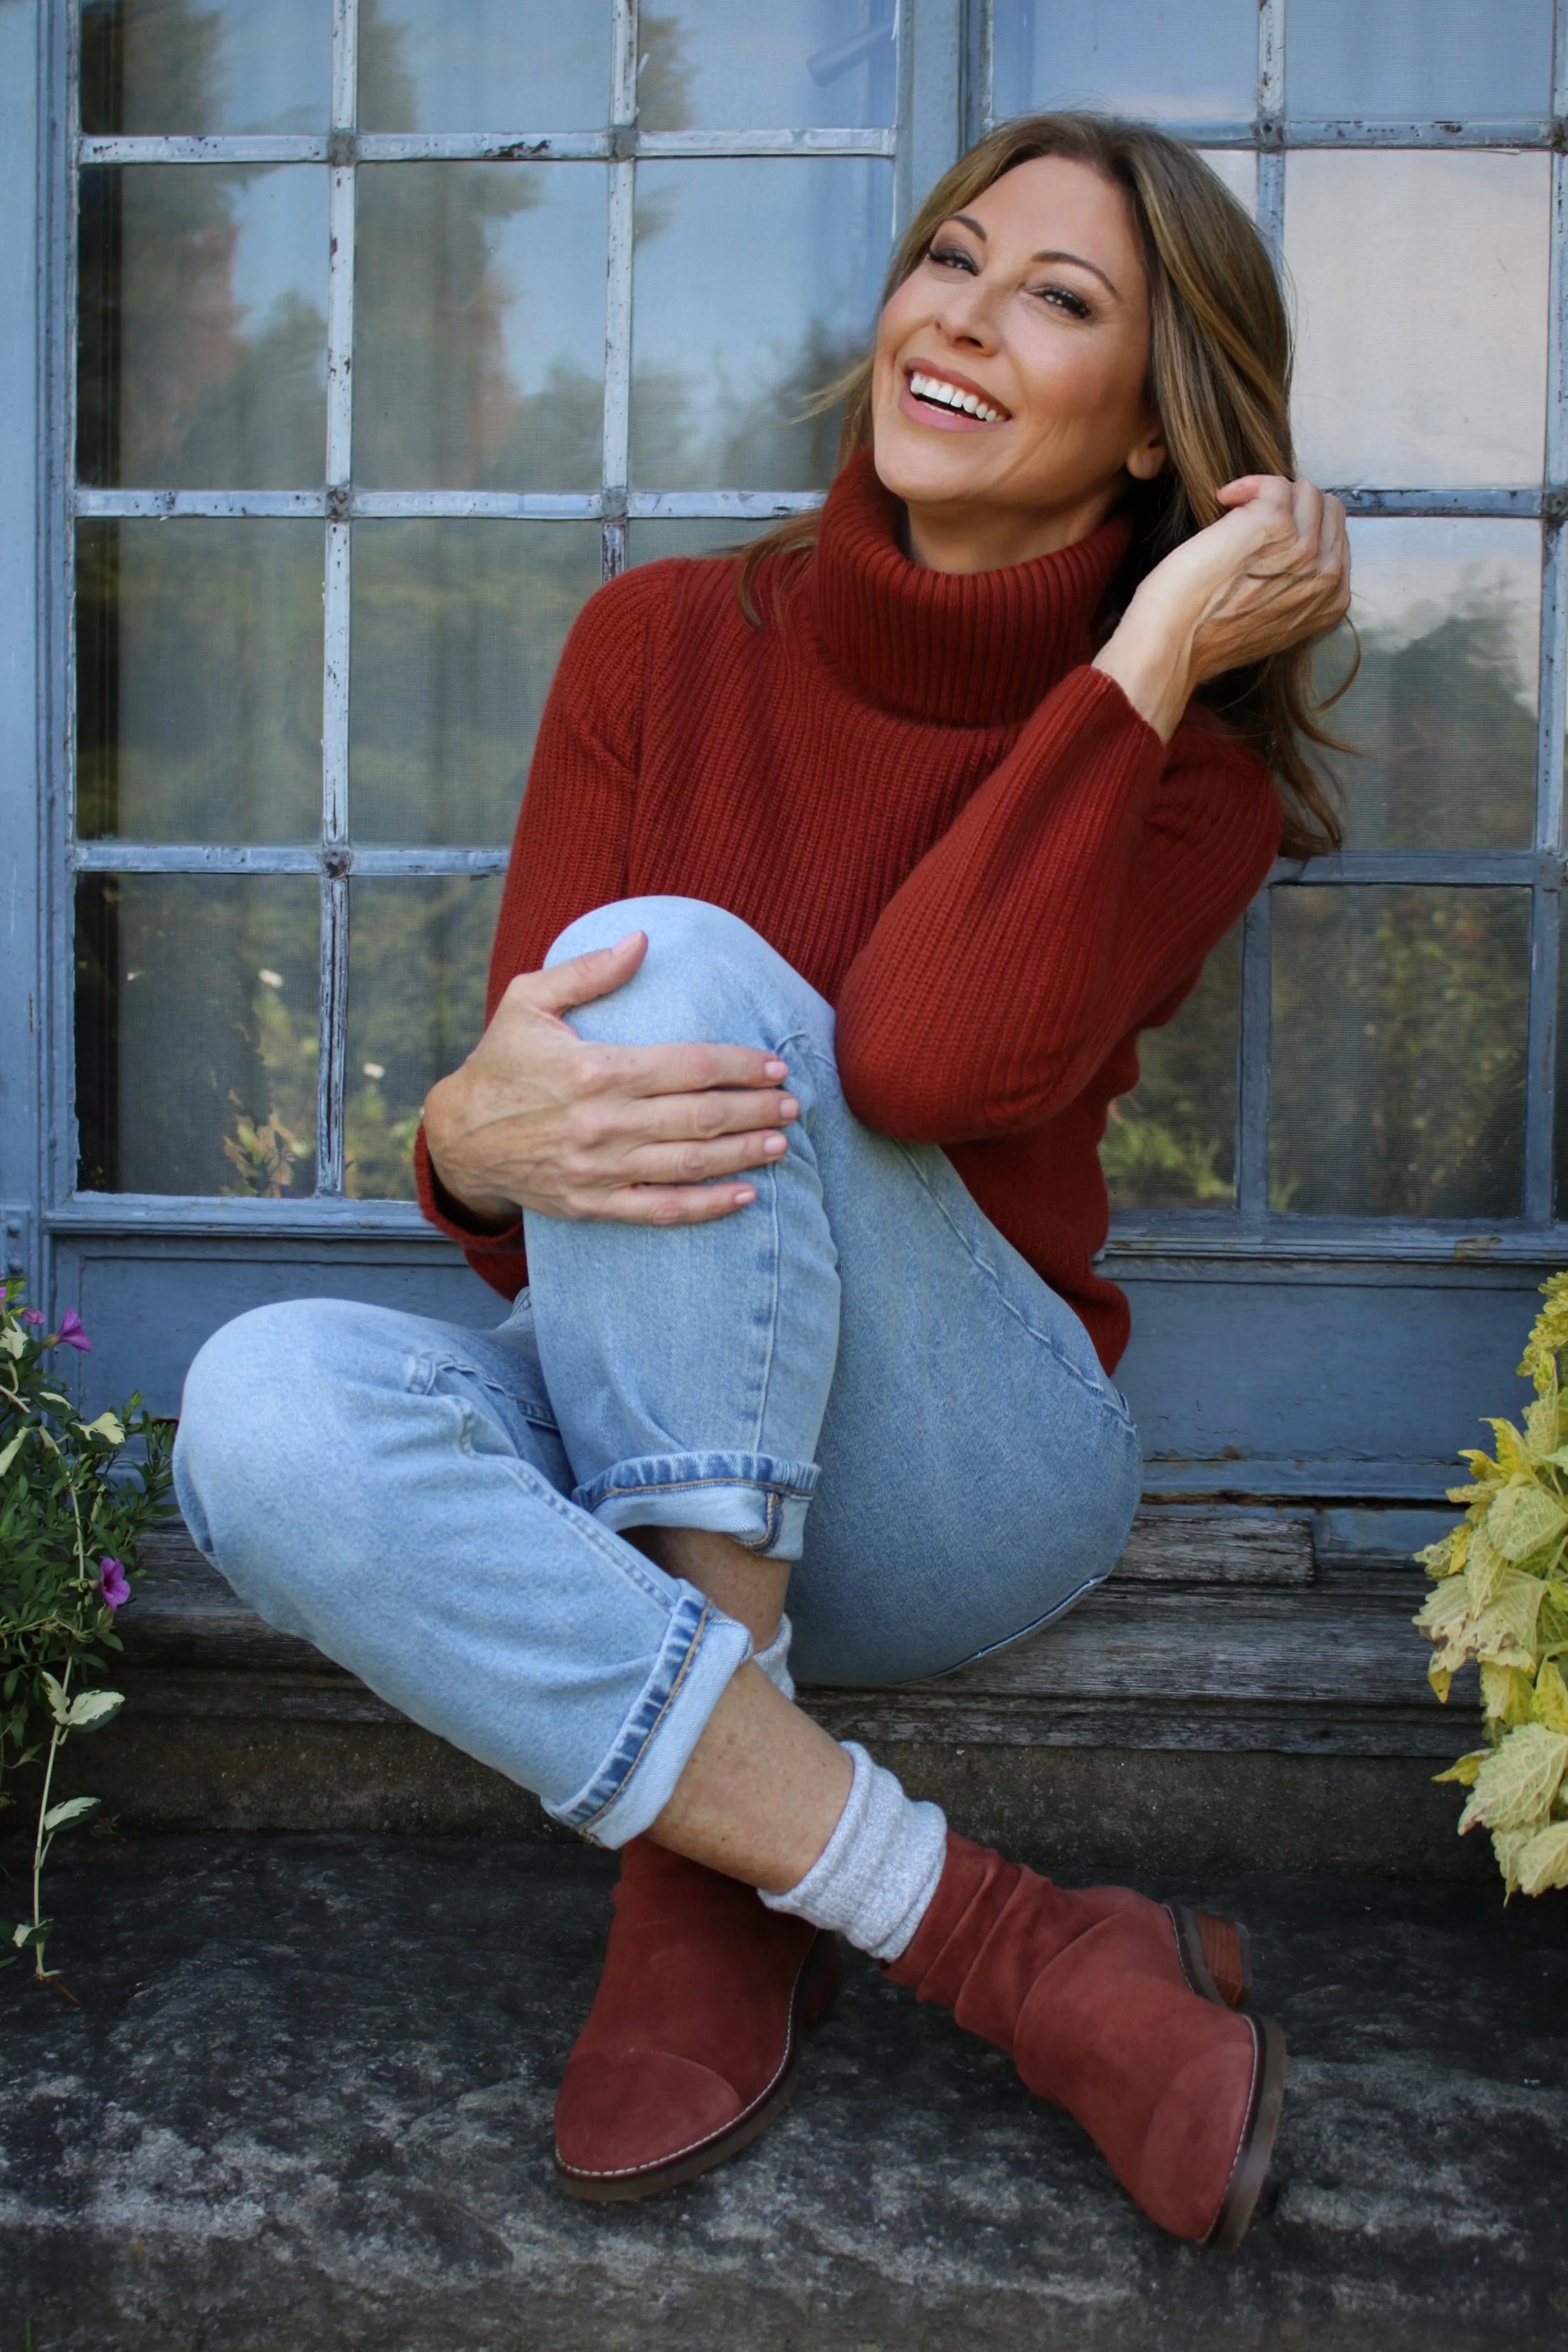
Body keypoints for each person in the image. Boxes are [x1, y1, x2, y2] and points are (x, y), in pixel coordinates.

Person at [174, 112, 1350, 2249]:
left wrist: (1148, 657)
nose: (957, 319)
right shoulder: (658, 642)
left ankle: (699, 1878)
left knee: (688, 968)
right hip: (656, 1414)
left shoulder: (1191, 781)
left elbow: (919, 1060)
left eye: (1055, 302)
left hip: (962, 1471)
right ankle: (991, 1935)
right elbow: (534, 1118)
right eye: (947, 258)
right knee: (259, 1406)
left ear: (1159, 440)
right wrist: (455, 1138)